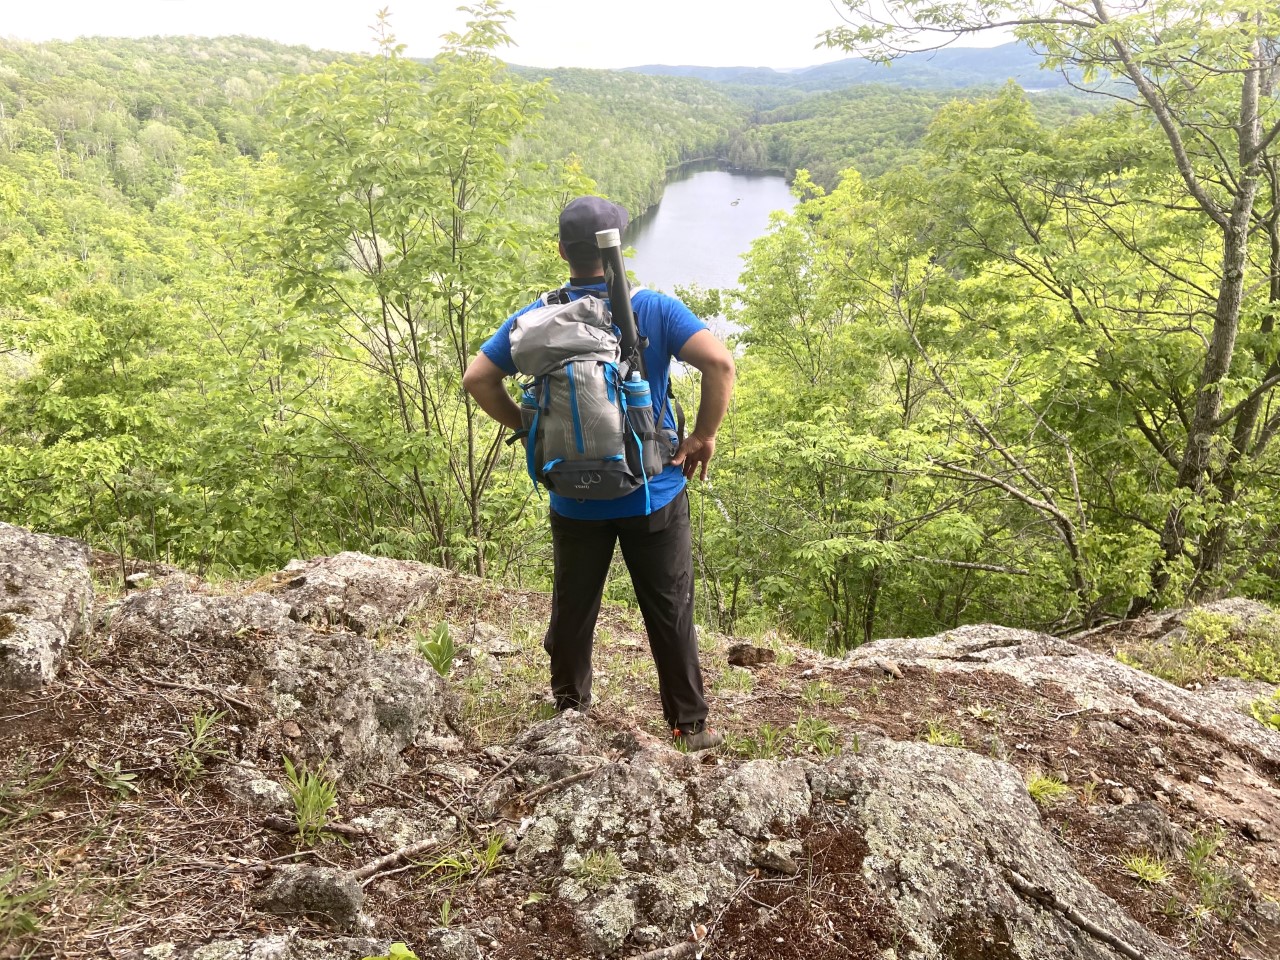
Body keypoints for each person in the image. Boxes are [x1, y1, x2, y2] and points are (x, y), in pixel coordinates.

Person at [462, 196, 736, 751]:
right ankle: (689, 725)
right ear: (618, 249)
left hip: (573, 497)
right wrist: (703, 437)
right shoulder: (652, 308)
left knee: (575, 603)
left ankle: (570, 708)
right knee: (668, 607)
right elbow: (719, 363)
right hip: (651, 493)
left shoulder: (537, 318)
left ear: (563, 250)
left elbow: (476, 379)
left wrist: (528, 429)